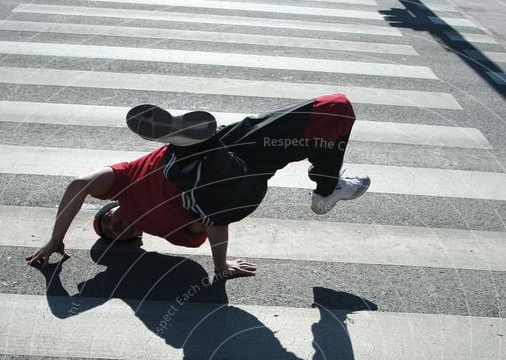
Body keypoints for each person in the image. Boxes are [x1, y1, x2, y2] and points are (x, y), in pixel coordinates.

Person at [26, 93, 370, 280]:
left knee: (337, 109)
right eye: (116, 232)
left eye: (109, 219)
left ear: (111, 204)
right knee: (206, 182)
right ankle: (191, 148)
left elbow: (79, 184)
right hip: (232, 186)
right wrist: (221, 268)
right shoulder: (171, 235)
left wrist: (57, 238)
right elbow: (212, 220)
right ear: (134, 239)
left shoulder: (126, 178)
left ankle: (327, 189)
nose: (116, 224)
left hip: (231, 146)